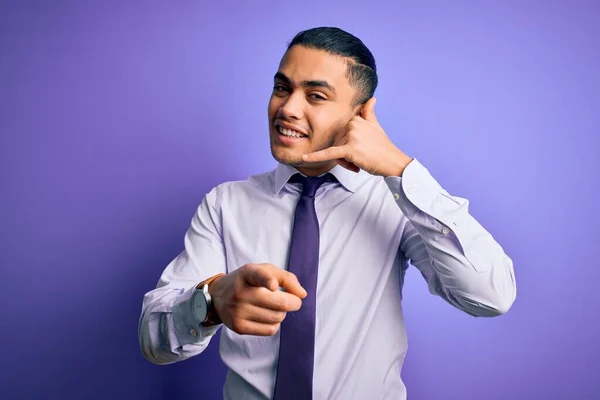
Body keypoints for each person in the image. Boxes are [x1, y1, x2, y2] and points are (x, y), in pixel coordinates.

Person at [138, 26, 517, 400]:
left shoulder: (396, 202)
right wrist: (211, 300)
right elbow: (153, 343)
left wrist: (401, 170)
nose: (287, 108)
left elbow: (490, 296)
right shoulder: (225, 204)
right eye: (282, 88)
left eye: (315, 96)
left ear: (360, 114)